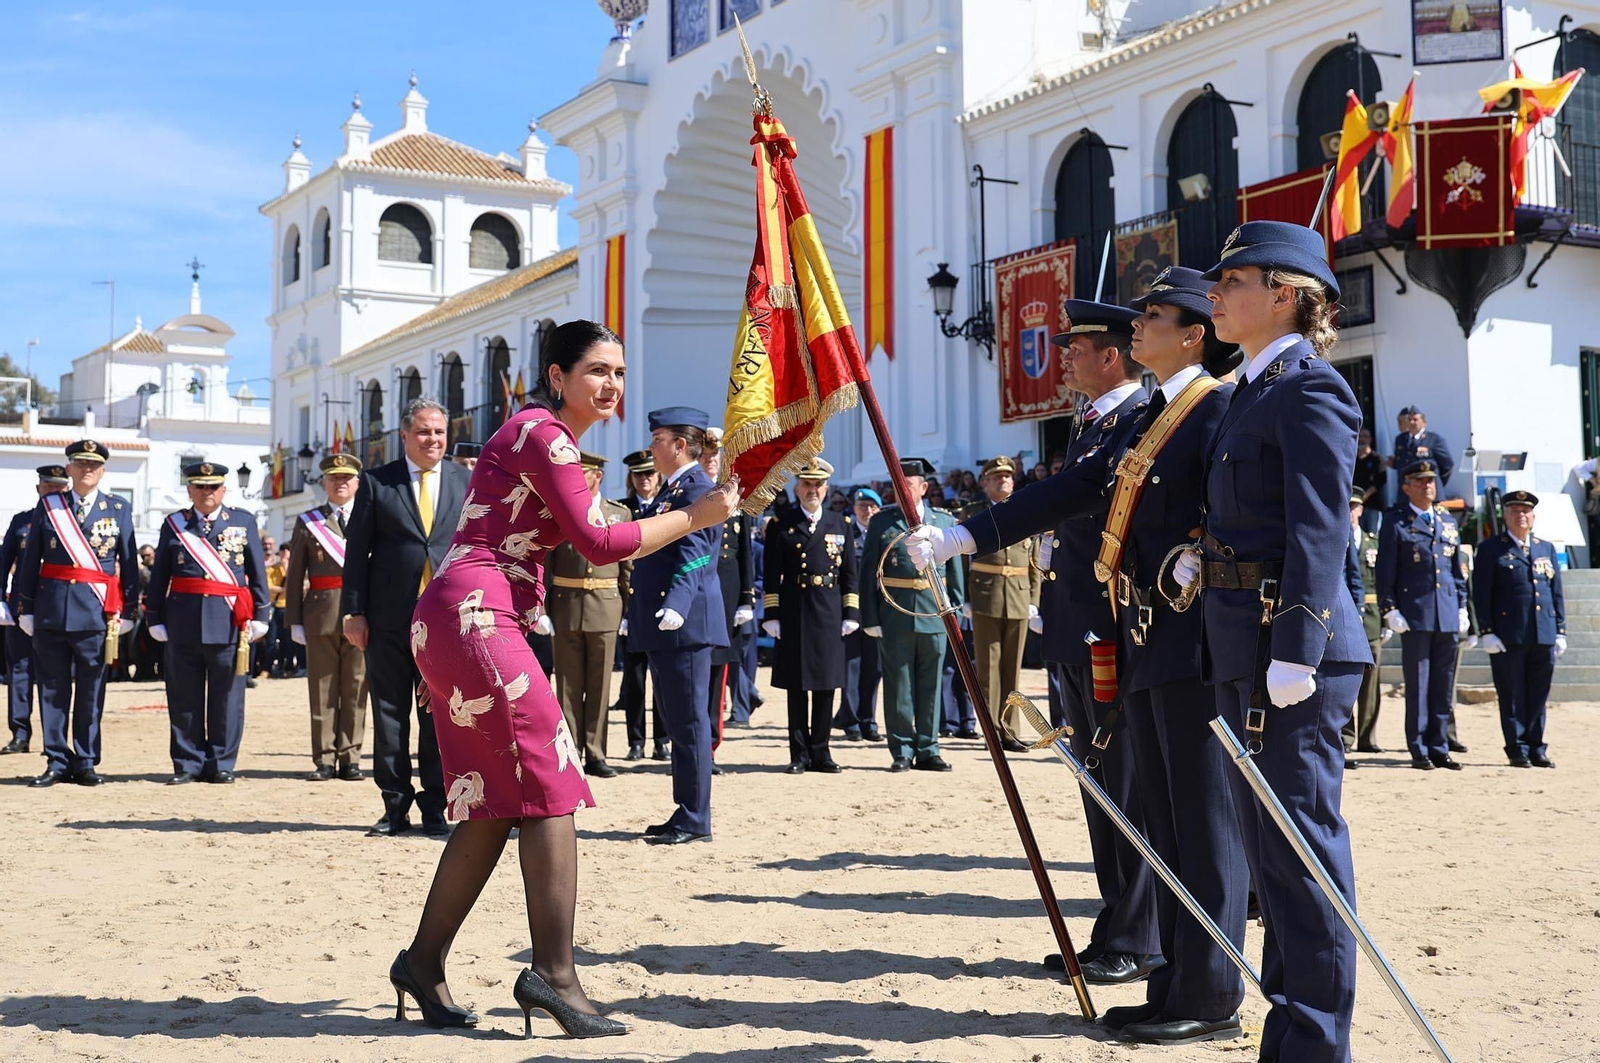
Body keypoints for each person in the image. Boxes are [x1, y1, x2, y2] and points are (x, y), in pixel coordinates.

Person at [399, 319, 739, 1038]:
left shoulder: (544, 440)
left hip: (464, 616)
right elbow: (598, 541)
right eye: (595, 370)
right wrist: (694, 513)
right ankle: (552, 973)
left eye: (618, 371)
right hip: (477, 614)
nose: (611, 383)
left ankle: (422, 962)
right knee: (551, 780)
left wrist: (701, 506)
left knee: (495, 803)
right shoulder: (544, 434)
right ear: (558, 377)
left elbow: (592, 527)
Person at [1179, 221, 1370, 1061]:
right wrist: (1200, 554)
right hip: (1240, 643)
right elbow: (1250, 515)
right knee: (1271, 860)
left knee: (1300, 857)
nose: (1214, 293)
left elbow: (1321, 526)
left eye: (1233, 279)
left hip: (1288, 651)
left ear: (1287, 294)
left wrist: (1299, 643)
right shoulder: (1251, 386)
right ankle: (1291, 1038)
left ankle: (1317, 1045)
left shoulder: (1309, 386)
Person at [342, 398, 470, 837]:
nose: (432, 439)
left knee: (441, 717)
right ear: (404, 436)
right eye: (423, 432)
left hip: (447, 621)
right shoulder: (377, 483)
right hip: (389, 620)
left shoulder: (465, 480)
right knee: (391, 714)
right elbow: (356, 552)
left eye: (438, 432)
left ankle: (436, 806)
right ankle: (394, 806)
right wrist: (354, 612)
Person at [625, 406, 727, 844]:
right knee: (677, 720)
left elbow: (698, 551)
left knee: (689, 724)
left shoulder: (697, 489)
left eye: (658, 439)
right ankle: (684, 809)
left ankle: (695, 817)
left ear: (680, 445)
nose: (652, 447)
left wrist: (678, 604)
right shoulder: (674, 490)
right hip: (665, 622)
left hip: (683, 624)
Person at [14, 441, 139, 787]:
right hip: (51, 609)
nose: (87, 469)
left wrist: (128, 609)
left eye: (94, 465)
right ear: (68, 469)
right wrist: (25, 607)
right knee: (52, 690)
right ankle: (55, 758)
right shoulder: (50, 506)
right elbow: (30, 560)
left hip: (95, 614)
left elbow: (128, 561)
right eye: (80, 463)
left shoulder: (118, 508)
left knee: (90, 691)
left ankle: (85, 760)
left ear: (102, 471)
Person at [145, 461, 271, 784]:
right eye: (200, 486)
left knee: (227, 698)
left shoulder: (242, 521)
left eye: (212, 486)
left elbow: (257, 573)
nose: (206, 492)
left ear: (223, 490)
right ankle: (188, 762)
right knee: (183, 697)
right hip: (182, 622)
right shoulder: (174, 525)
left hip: (228, 622)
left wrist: (262, 615)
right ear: (189, 490)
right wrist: (155, 617)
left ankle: (221, 763)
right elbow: (159, 576)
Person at [859, 457, 965, 772]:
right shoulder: (882, 522)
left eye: (907, 485)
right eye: (897, 485)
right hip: (895, 614)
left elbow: (955, 573)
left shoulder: (943, 521)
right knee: (898, 684)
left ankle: (929, 748)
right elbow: (869, 575)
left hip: (934, 614)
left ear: (923, 487)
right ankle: (902, 749)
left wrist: (955, 611)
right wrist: (871, 617)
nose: (901, 491)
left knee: (932, 684)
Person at [538, 450, 631, 779]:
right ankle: (571, 749)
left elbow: (627, 569)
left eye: (583, 474)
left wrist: (629, 612)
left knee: (601, 684)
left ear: (598, 476)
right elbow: (545, 566)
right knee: (567, 686)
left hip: (606, 606)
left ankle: (596, 752)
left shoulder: (618, 513)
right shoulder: (558, 512)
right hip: (565, 605)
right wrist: (542, 608)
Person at [763, 458, 858, 773]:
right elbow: (771, 572)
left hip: (829, 612)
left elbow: (850, 575)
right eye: (807, 485)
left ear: (826, 488)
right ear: (797, 488)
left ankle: (822, 752)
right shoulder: (782, 524)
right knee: (797, 685)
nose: (812, 490)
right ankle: (799, 754)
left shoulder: (840, 523)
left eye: (818, 485)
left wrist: (851, 612)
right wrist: (772, 614)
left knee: (826, 684)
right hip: (795, 611)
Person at [1377, 459, 1469, 771]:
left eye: (1430, 480)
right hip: (1415, 615)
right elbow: (1385, 571)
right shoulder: (1396, 522)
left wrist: (1461, 607)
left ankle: (1439, 745)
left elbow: (1456, 572)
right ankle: (1418, 747)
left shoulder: (1446, 521)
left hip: (1446, 613)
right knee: (1418, 684)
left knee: (1443, 685)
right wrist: (1390, 609)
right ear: (1406, 487)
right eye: (1420, 481)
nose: (1427, 485)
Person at [285, 452, 368, 782]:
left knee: (355, 689)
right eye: (334, 477)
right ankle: (324, 758)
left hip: (361, 615)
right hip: (319, 614)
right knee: (321, 691)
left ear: (357, 482)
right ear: (324, 482)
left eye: (347, 477)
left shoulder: (368, 517)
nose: (341, 482)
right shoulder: (308, 522)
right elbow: (294, 575)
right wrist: (293, 619)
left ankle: (351, 757)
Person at [1474, 490, 1567, 767]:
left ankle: (1537, 745)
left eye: (1525, 511)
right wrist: (1486, 630)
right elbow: (1481, 593)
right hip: (1508, 633)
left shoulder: (1545, 548)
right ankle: (1517, 747)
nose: (1521, 515)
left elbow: (1556, 591)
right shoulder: (1492, 548)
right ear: (1506, 515)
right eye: (1515, 510)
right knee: (1512, 693)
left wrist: (1560, 628)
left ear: (1533, 517)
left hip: (1543, 631)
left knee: (1538, 693)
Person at [958, 456, 1039, 753]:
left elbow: (1034, 560)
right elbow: (959, 559)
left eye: (1007, 476)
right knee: (988, 670)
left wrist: (1034, 600)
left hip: (1017, 596)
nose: (1004, 480)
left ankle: (1011, 731)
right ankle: (992, 732)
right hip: (985, 595)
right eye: (997, 477)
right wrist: (964, 596)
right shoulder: (972, 513)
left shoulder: (1026, 512)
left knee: (1012, 671)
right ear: (985, 483)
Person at [0, 465, 71, 753]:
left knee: (54, 673)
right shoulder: (22, 521)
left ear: (66, 489)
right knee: (19, 668)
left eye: (58, 486)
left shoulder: (73, 524)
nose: (53, 490)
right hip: (22, 603)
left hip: (56, 605)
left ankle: (54, 737)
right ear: (38, 488)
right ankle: (20, 733)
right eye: (48, 485)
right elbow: (3, 562)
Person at [699, 429, 754, 771]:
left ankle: (710, 748)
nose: (710, 461)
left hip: (724, 605)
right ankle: (688, 747)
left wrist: (747, 599)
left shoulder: (736, 504)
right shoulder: (683, 497)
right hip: (692, 603)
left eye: (715, 458)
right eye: (705, 456)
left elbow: (745, 555)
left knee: (717, 682)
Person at [615, 449, 668, 760]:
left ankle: (662, 740)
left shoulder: (668, 507)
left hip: (660, 603)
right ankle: (636, 741)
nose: (644, 480)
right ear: (631, 479)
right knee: (633, 680)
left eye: (649, 474)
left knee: (662, 678)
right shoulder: (621, 510)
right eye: (638, 475)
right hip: (631, 606)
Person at [834, 487, 883, 741]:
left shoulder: (883, 535)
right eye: (863, 506)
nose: (868, 511)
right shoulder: (846, 533)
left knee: (873, 670)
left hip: (876, 612)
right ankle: (850, 720)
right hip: (852, 611)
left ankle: (869, 720)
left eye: (872, 507)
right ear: (854, 509)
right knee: (851, 668)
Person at [1343, 491, 1386, 756]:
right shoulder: (1337, 536)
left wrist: (1387, 614)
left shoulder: (1373, 542)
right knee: (1346, 678)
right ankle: (1346, 738)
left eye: (1354, 506)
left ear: (1361, 510)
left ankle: (1368, 737)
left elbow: (1380, 579)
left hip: (1370, 614)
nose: (1350, 511)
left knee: (1372, 680)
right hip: (1343, 614)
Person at [1389, 406, 1455, 491]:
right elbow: (1401, 464)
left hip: (1427, 491)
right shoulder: (1400, 440)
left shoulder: (1434, 439)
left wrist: (1437, 484)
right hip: (1406, 493)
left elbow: (1447, 465)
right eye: (1409, 420)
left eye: (1415, 420)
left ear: (1424, 422)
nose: (1412, 422)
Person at [1352, 428, 1385, 532]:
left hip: (1372, 505)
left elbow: (1380, 480)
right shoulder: (1352, 459)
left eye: (1365, 436)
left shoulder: (1377, 458)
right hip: (1353, 505)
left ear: (1370, 439)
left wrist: (1363, 497)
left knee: (1373, 535)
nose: (1361, 439)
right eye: (1359, 436)